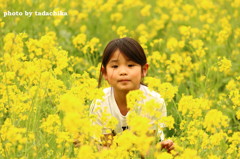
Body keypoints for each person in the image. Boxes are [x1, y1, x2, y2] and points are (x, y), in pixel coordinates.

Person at [89, 37, 174, 153]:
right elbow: (108, 150)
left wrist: (159, 148)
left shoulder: (154, 101)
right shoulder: (100, 102)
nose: (123, 71)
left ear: (144, 70)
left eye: (130, 65)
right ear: (104, 73)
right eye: (115, 66)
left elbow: (146, 151)